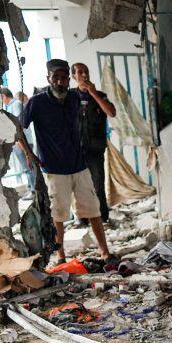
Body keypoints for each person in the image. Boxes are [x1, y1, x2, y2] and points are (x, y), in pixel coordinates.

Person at [17, 58, 114, 265]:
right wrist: (28, 153)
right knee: (58, 215)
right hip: (54, 168)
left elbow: (108, 111)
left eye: (64, 78)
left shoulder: (74, 98)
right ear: (48, 79)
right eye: (56, 78)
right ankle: (61, 257)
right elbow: (17, 129)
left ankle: (104, 252)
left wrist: (89, 87)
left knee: (94, 210)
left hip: (79, 165)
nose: (60, 82)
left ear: (68, 79)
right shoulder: (37, 102)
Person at [71, 63, 116, 223]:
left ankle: (102, 218)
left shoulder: (100, 95)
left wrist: (93, 93)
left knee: (97, 184)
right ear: (74, 77)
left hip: (95, 149)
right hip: (76, 150)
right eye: (80, 72)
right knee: (79, 186)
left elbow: (111, 112)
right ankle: (83, 219)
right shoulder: (70, 97)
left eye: (86, 71)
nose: (84, 75)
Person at [0, 88, 29, 186]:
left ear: (4, 96)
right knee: (25, 168)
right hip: (18, 142)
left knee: (28, 167)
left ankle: (34, 191)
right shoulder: (10, 107)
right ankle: (31, 188)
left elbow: (18, 125)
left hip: (21, 141)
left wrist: (19, 142)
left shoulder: (16, 104)